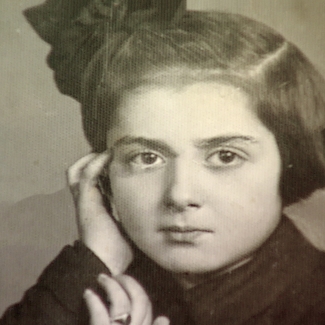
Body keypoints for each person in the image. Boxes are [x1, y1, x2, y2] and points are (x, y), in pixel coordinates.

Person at [2, 0, 325, 324]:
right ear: (102, 176)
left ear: (290, 162)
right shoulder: (94, 284)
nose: (179, 195)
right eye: (147, 157)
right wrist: (97, 259)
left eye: (225, 156)